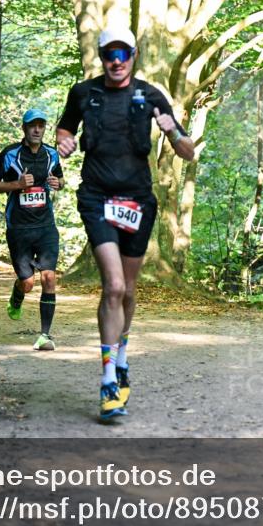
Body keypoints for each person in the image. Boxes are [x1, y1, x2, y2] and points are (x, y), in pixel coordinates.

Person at [56, 26, 196, 421]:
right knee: (113, 285)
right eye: (108, 55)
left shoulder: (151, 95)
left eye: (123, 54)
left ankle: (121, 356)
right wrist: (63, 141)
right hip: (97, 198)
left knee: (130, 289)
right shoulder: (84, 93)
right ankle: (107, 381)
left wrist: (172, 131)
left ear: (133, 55)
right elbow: (65, 127)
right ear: (101, 57)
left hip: (137, 200)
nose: (115, 62)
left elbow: (187, 153)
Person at [0, 109, 64, 352]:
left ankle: (45, 335)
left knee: (49, 277)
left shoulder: (51, 154)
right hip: (19, 227)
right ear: (24, 128)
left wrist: (58, 184)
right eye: (32, 125)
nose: (37, 129)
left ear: (45, 128)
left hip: (45, 226)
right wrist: (16, 185)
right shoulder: (10, 154)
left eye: (41, 125)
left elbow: (61, 180)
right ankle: (18, 294)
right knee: (28, 282)